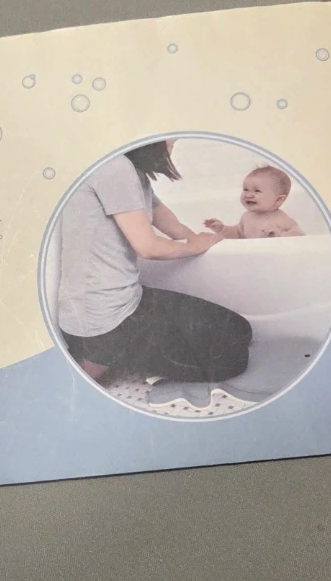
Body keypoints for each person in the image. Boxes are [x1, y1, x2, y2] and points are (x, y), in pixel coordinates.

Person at [57, 140, 251, 404]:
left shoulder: (132, 170)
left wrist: (199, 239)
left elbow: (165, 219)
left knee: (239, 328)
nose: (173, 146)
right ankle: (98, 359)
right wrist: (194, 246)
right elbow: (148, 247)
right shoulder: (114, 167)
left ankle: (110, 354)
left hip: (128, 299)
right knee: (232, 360)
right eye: (171, 140)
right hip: (105, 320)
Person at [204, 164, 304, 239]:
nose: (248, 195)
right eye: (245, 189)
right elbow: (238, 234)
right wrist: (222, 229)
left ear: (278, 200)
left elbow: (300, 236)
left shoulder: (281, 218)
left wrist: (280, 234)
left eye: (257, 191)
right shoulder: (246, 217)